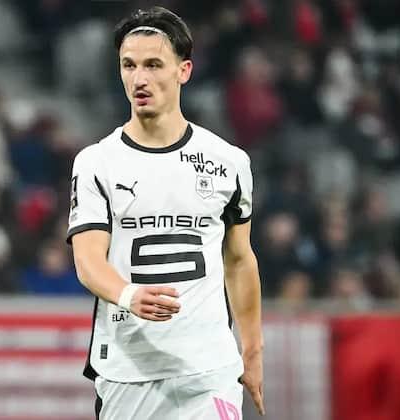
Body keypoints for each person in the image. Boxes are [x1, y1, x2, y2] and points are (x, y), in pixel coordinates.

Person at [67, 7, 264, 419]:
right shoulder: (97, 163)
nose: (139, 78)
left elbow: (239, 259)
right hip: (128, 370)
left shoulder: (228, 162)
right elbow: (88, 261)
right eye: (129, 65)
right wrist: (129, 295)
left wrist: (252, 351)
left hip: (209, 370)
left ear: (183, 70)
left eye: (153, 65)